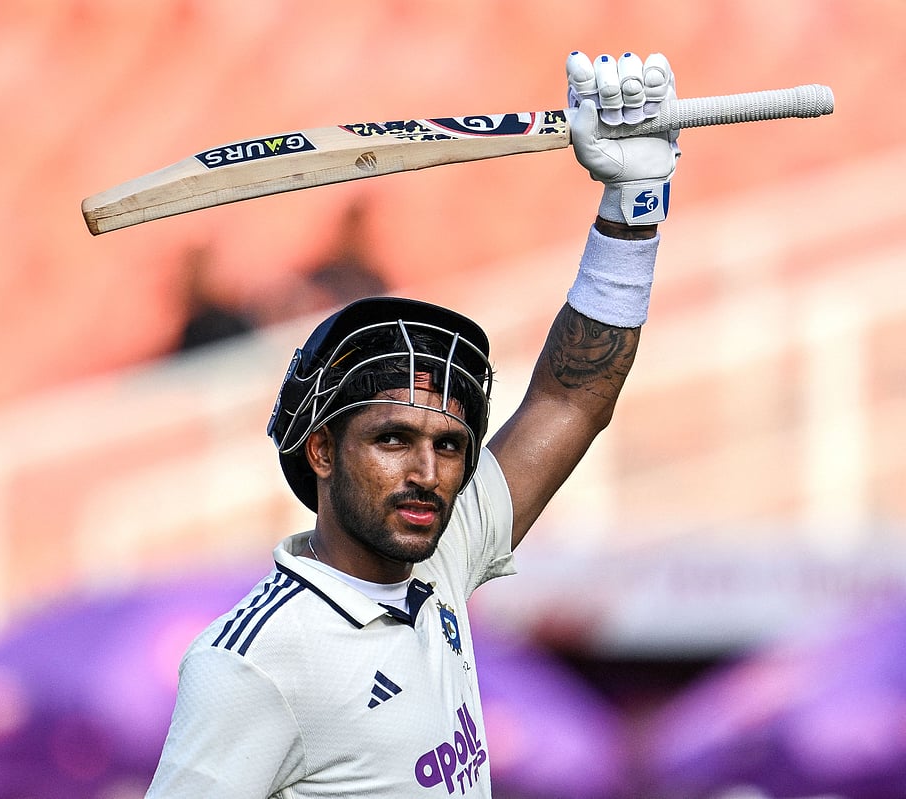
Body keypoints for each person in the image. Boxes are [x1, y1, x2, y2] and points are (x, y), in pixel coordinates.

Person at [145, 50, 680, 798]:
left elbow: (570, 399)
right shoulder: (251, 663)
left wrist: (633, 208)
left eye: (451, 445)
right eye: (392, 438)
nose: (427, 472)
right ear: (323, 447)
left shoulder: (442, 556)